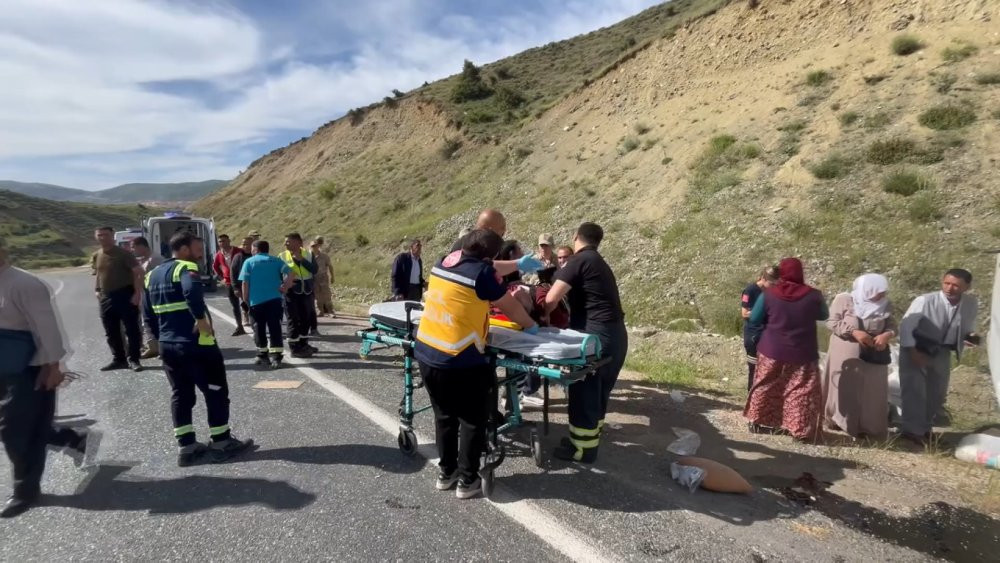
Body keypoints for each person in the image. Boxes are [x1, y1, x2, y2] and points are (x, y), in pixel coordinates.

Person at [415, 229, 539, 499]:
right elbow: (509, 306)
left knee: (445, 417)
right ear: (489, 256)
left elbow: (488, 265)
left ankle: (447, 474)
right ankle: (468, 481)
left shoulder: (445, 261)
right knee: (472, 420)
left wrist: (517, 264)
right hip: (460, 359)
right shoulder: (482, 275)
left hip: (427, 351)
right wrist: (532, 327)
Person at [0, 237, 102, 517]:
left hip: (29, 369)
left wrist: (53, 367)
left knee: (14, 431)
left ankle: (25, 491)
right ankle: (73, 438)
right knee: (25, 427)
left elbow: (47, 329)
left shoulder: (24, 284)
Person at [144, 233, 254, 466]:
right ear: (183, 249)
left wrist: (157, 337)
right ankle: (222, 441)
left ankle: (186, 447)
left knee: (181, 394)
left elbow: (147, 313)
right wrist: (200, 319)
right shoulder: (186, 268)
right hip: (196, 345)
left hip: (168, 345)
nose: (201, 252)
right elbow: (191, 291)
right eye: (197, 247)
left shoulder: (151, 275)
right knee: (215, 390)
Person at [544, 222, 628, 463]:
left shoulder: (580, 261)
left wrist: (541, 316)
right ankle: (584, 439)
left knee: (584, 391)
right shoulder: (599, 262)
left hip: (596, 338)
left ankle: (582, 450)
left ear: (575, 237)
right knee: (599, 392)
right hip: (615, 336)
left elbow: (551, 297)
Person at [744, 258, 829, 441]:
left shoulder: (769, 294)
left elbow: (755, 319)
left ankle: (756, 421)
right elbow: (824, 315)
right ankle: (800, 430)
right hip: (803, 351)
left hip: (772, 349)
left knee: (766, 383)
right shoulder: (814, 295)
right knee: (801, 389)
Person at [897, 269, 979, 446]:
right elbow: (906, 326)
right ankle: (912, 430)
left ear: (967, 286)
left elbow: (967, 326)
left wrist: (968, 337)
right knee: (914, 390)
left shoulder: (970, 303)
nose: (950, 288)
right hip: (916, 348)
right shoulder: (925, 300)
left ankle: (925, 428)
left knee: (937, 393)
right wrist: (913, 351)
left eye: (956, 285)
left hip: (942, 351)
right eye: (947, 283)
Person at [823, 274, 896, 440]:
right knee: (847, 386)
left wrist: (886, 335)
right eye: (878, 291)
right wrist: (854, 332)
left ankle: (868, 426)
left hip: (874, 353)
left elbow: (892, 325)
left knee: (872, 389)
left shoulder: (885, 304)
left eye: (883, 292)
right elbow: (831, 322)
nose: (881, 295)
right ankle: (840, 421)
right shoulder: (845, 299)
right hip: (846, 350)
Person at [93, 226, 144, 372]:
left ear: (112, 236)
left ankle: (134, 359)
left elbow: (139, 272)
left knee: (132, 330)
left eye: (106, 235)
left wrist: (137, 293)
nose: (102, 237)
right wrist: (97, 290)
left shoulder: (124, 254)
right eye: (99, 235)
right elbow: (98, 273)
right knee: (111, 331)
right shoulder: (97, 255)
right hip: (106, 297)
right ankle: (119, 359)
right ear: (96, 237)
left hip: (125, 294)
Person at [239, 240, 295, 368]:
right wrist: (285, 286)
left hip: (256, 301)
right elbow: (291, 272)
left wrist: (245, 299)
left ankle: (262, 355)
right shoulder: (276, 261)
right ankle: (277, 358)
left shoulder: (249, 262)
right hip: (275, 300)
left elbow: (245, 283)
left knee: (258, 328)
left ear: (255, 249)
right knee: (275, 327)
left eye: (252, 249)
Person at [451, 209, 543, 277]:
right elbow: (490, 272)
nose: (504, 231)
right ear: (490, 230)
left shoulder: (460, 242)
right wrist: (517, 264)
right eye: (502, 228)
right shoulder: (489, 246)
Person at [277, 233, 318, 357]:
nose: (285, 244)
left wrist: (301, 259)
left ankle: (303, 344)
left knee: (306, 318)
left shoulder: (309, 254)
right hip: (291, 292)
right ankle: (294, 348)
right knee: (293, 319)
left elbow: (314, 270)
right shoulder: (282, 256)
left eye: (288, 242)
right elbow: (278, 274)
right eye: (285, 242)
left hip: (307, 291)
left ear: (298, 242)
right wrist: (281, 284)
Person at [741, 266, 778, 391]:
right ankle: (750, 396)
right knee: (754, 369)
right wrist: (760, 312)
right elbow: (744, 313)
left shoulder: (772, 292)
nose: (773, 286)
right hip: (754, 334)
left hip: (768, 334)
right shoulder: (750, 290)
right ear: (763, 278)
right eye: (771, 283)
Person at [131, 237, 164, 360]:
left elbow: (161, 278)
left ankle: (163, 349)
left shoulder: (156, 259)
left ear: (142, 246)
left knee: (158, 322)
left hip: (155, 295)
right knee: (147, 322)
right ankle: (153, 347)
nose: (132, 250)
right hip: (146, 294)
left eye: (134, 247)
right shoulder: (143, 260)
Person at [212, 234, 246, 337]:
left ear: (229, 241)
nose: (222, 243)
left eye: (224, 241)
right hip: (229, 282)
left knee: (247, 303)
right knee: (234, 306)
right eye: (220, 241)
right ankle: (239, 326)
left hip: (242, 281)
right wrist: (222, 278)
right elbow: (215, 267)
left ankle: (253, 322)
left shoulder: (238, 251)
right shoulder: (218, 254)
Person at [230, 236, 254, 326]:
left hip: (255, 285)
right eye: (244, 244)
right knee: (244, 302)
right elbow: (233, 272)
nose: (245, 246)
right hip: (242, 285)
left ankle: (253, 318)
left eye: (248, 244)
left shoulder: (256, 256)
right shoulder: (238, 257)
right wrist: (235, 287)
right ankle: (245, 315)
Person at [312, 237, 335, 318]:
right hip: (314, 278)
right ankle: (320, 311)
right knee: (317, 296)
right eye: (312, 246)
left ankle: (331, 311)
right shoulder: (309, 257)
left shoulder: (324, 256)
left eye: (315, 245)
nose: (314, 247)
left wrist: (332, 276)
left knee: (327, 295)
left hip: (323, 277)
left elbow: (330, 266)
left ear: (318, 246)